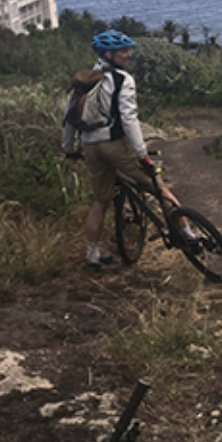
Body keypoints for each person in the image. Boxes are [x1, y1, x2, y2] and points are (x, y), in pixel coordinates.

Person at [61, 30, 182, 267]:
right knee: (159, 188)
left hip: (89, 146)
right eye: (123, 51)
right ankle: (188, 234)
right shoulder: (121, 79)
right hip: (114, 145)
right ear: (109, 54)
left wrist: (68, 148)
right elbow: (129, 120)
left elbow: (69, 118)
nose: (128, 55)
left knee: (100, 201)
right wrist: (142, 155)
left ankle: (92, 254)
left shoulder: (81, 81)